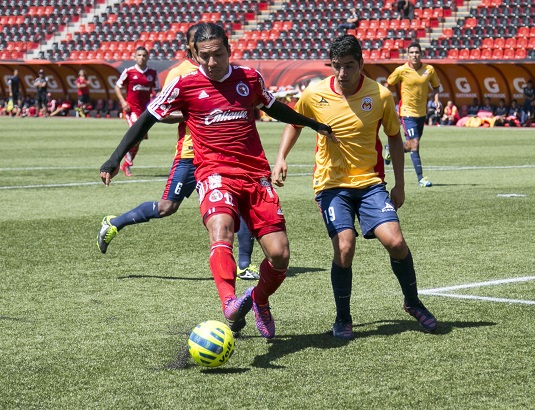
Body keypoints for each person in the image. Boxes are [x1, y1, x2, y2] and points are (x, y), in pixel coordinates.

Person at [98, 23, 333, 339]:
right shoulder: (184, 84)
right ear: (194, 53)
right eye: (204, 56)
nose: (211, 62)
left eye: (218, 55)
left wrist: (312, 124)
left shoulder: (249, 78)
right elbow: (147, 119)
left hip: (254, 175)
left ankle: (259, 300)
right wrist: (115, 158)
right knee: (220, 229)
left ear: (229, 50)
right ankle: (230, 304)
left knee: (280, 255)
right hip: (213, 173)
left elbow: (273, 107)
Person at [271, 35, 437, 339]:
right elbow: (294, 123)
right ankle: (343, 317)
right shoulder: (314, 93)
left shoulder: (381, 95)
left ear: (361, 63)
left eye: (349, 66)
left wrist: (399, 185)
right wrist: (281, 157)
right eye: (337, 67)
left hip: (371, 184)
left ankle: (413, 303)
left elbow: (394, 138)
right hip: (331, 185)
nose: (343, 74)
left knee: (396, 243)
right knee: (345, 247)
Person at [97, 24, 259, 280]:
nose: (209, 55)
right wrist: (192, 111)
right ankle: (114, 224)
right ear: (190, 48)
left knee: (240, 203)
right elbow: (159, 113)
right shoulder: (180, 74)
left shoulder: (224, 69)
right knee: (167, 207)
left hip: (223, 154)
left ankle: (244, 264)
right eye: (200, 47)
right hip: (190, 153)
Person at [385, 42, 440, 187]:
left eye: (417, 52)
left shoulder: (429, 70)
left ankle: (389, 149)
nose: (414, 55)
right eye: (412, 52)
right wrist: (386, 100)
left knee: (410, 145)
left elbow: (436, 87)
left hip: (421, 114)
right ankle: (421, 178)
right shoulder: (401, 70)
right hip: (407, 112)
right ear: (408, 55)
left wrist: (437, 100)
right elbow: (388, 85)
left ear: (421, 54)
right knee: (415, 144)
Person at [114, 46, 159, 177]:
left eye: (144, 55)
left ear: (148, 57)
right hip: (131, 110)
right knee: (136, 136)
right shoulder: (129, 71)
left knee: (138, 139)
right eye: (139, 55)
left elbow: (157, 91)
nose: (141, 57)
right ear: (134, 57)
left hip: (145, 111)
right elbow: (117, 86)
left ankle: (127, 163)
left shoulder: (152, 73)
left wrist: (155, 102)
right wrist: (123, 102)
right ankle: (127, 164)